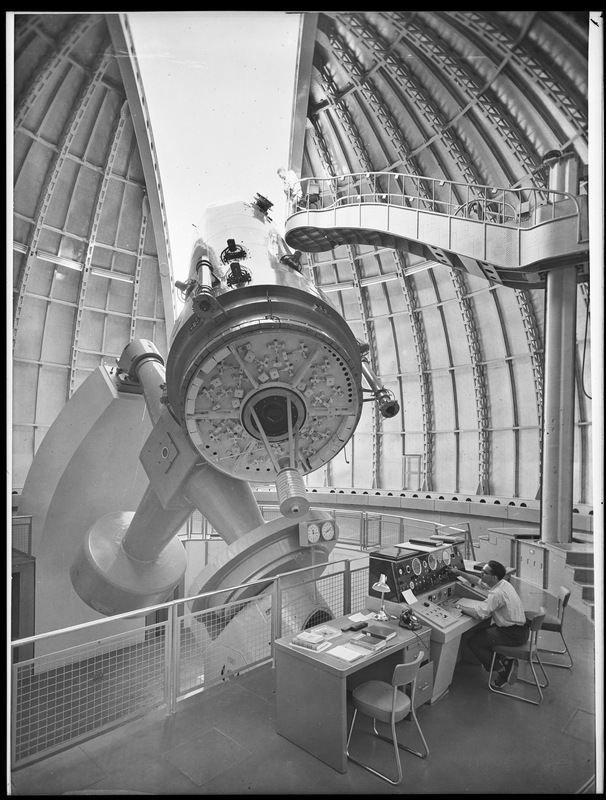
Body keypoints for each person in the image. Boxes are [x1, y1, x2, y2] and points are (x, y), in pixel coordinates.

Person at [449, 560, 528, 688]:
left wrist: (457, 606)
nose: (481, 573)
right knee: (480, 633)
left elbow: (478, 613)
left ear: (494, 577)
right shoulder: (503, 584)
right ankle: (506, 661)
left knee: (473, 641)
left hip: (512, 634)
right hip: (520, 630)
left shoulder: (497, 594)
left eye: (484, 572)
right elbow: (477, 581)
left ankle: (502, 672)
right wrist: (458, 572)